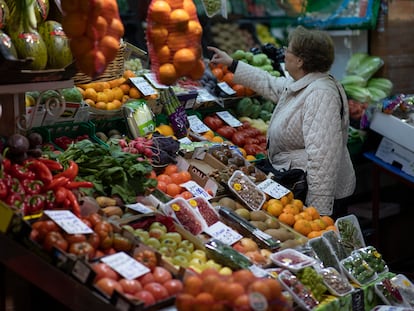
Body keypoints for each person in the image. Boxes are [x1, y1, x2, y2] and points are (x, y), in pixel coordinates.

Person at [207, 26, 356, 216]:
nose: (284, 53)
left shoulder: (321, 95)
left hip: (316, 195)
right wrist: (232, 64)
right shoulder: (304, 84)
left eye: (288, 49)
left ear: (300, 60)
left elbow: (323, 158)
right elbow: (271, 83)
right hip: (297, 182)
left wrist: (317, 212)